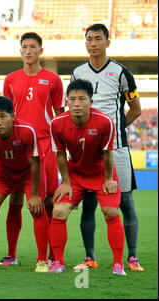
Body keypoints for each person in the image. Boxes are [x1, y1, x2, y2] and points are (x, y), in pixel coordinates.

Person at [71, 23, 143, 271]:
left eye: (97, 39)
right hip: (87, 152)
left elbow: (135, 109)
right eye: (89, 39)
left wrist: (116, 132)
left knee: (125, 202)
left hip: (117, 149)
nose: (93, 43)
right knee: (89, 204)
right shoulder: (78, 72)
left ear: (107, 42)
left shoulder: (122, 73)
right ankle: (90, 258)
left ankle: (132, 258)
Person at [49, 79, 127, 275]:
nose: (76, 103)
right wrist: (65, 182)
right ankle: (58, 262)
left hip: (102, 174)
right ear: (67, 102)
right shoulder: (57, 123)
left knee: (110, 212)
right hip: (75, 175)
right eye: (72, 99)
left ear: (91, 102)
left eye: (82, 99)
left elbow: (108, 153)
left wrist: (109, 179)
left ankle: (118, 263)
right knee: (58, 211)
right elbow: (60, 154)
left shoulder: (104, 121)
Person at [2, 32, 64, 266]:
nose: (28, 51)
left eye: (32, 47)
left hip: (45, 144)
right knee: (15, 198)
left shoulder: (53, 80)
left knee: (47, 199)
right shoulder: (10, 79)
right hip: (18, 146)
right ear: (20, 51)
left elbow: (59, 117)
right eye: (24, 47)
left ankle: (50, 254)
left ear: (41, 51)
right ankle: (11, 254)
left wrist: (60, 148)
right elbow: (7, 114)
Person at [0, 96, 50, 272]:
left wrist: (36, 195)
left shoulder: (26, 130)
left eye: (3, 116)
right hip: (4, 172)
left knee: (37, 209)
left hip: (28, 172)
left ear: (13, 116)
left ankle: (42, 260)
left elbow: (35, 164)